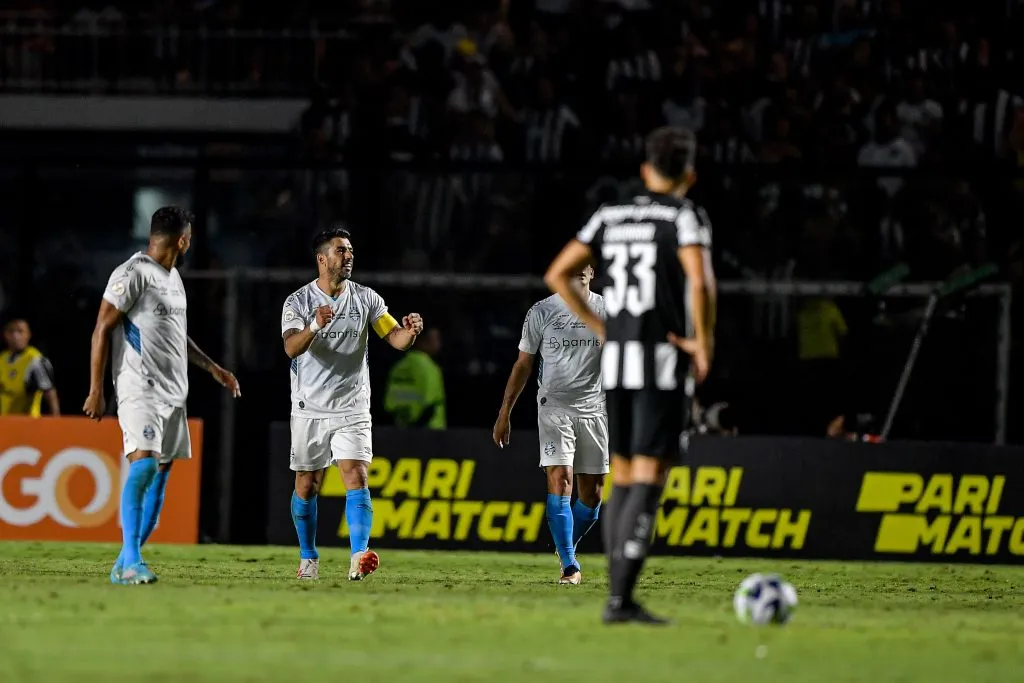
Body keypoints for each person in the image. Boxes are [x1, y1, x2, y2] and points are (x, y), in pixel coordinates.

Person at [543, 126, 717, 624]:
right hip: (660, 360)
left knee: (622, 474)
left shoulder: (609, 214)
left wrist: (605, 326)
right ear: (689, 174)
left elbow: (558, 274)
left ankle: (618, 597)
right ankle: (620, 600)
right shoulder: (685, 216)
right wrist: (702, 342)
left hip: (616, 363)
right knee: (649, 475)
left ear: (644, 169)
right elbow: (700, 281)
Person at [83, 206, 241, 586]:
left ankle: (125, 561)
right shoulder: (132, 273)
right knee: (145, 466)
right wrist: (96, 389)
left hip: (175, 394)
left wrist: (213, 368)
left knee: (162, 473)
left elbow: (174, 334)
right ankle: (133, 560)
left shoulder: (172, 279)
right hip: (140, 388)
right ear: (183, 239)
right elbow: (101, 328)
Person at [281, 226, 424, 581]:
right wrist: (315, 324)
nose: (349, 257)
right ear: (322, 259)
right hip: (309, 407)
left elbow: (393, 337)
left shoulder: (366, 298)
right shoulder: (298, 302)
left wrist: (410, 332)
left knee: (356, 476)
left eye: (350, 251)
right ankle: (308, 559)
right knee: (306, 484)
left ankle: (359, 555)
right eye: (341, 251)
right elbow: (291, 347)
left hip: (352, 406)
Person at [492, 265, 607, 585]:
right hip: (553, 408)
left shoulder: (606, 310)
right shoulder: (542, 311)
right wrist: (505, 413)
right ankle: (570, 566)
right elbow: (523, 364)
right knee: (561, 479)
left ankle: (564, 544)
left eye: (584, 265)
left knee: (593, 498)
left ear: (592, 271)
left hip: (594, 410)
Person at [384, 326, 446, 429]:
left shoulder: (399, 366)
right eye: (436, 339)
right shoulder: (430, 368)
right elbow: (431, 402)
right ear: (422, 341)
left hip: (399, 431)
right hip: (429, 432)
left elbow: (389, 402)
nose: (439, 344)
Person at [1, 316, 60, 416]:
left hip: (26, 423)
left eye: (20, 331)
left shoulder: (36, 360)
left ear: (28, 334)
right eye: (11, 331)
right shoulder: (2, 358)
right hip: (4, 422)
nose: (16, 336)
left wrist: (57, 422)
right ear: (5, 334)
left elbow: (49, 392)